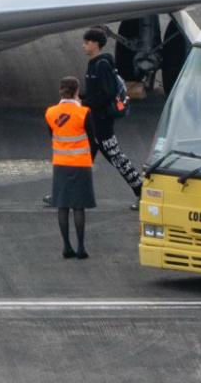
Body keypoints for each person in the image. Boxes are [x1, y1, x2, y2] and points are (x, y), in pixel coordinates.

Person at [80, 27, 143, 208]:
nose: (83, 46)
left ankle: (142, 191)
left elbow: (106, 93)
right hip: (94, 121)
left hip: (101, 123)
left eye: (86, 43)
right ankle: (70, 194)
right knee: (83, 160)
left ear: (95, 44)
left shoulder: (101, 65)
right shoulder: (94, 64)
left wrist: (85, 103)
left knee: (117, 158)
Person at [46, 76, 96, 258]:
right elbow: (92, 137)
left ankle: (66, 246)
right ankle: (81, 247)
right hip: (81, 164)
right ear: (76, 92)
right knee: (79, 206)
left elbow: (52, 134)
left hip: (60, 163)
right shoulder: (84, 113)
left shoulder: (51, 113)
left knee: (62, 206)